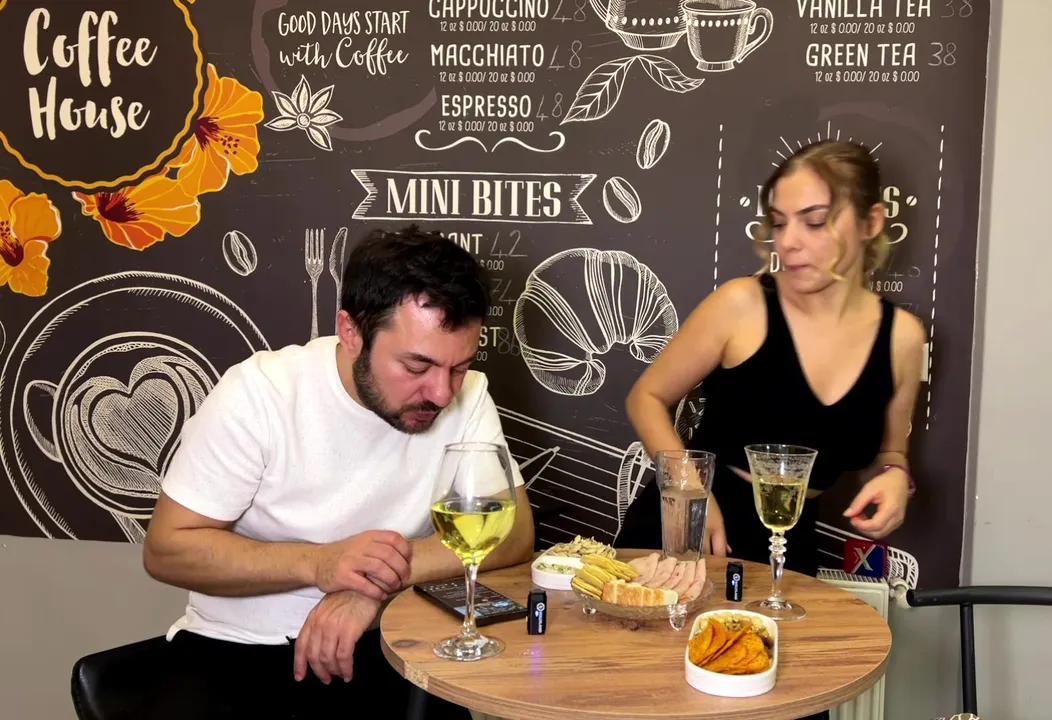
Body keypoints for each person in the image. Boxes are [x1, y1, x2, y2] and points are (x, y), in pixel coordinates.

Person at [141, 225, 535, 719]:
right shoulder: (259, 394)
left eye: (458, 367)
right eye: (417, 367)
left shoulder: (469, 394)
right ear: (351, 332)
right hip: (241, 651)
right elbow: (166, 550)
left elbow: (514, 533)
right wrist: (321, 564)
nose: (441, 393)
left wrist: (374, 585)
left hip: (392, 639)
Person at [616, 139, 925, 580]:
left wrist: (894, 475)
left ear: (871, 222)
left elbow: (889, 451)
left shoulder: (903, 338)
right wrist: (688, 492)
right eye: (779, 223)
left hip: (790, 551)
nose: (789, 242)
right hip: (685, 536)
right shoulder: (742, 304)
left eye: (815, 222)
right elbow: (646, 397)